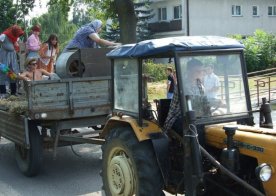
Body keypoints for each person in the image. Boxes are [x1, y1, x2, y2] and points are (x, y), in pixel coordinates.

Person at [163, 59, 205, 134]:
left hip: (195, 117)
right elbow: (175, 108)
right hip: (180, 117)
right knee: (196, 131)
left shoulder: (200, 85)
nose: (201, 73)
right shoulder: (181, 86)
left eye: (202, 71)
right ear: (189, 71)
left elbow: (203, 102)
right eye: (198, 71)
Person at [0, 25, 24, 96]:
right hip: (4, 55)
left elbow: (17, 45)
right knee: (3, 72)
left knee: (13, 73)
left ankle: (13, 92)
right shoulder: (4, 36)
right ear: (14, 31)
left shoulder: (16, 37)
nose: (17, 35)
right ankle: (2, 93)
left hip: (12, 56)